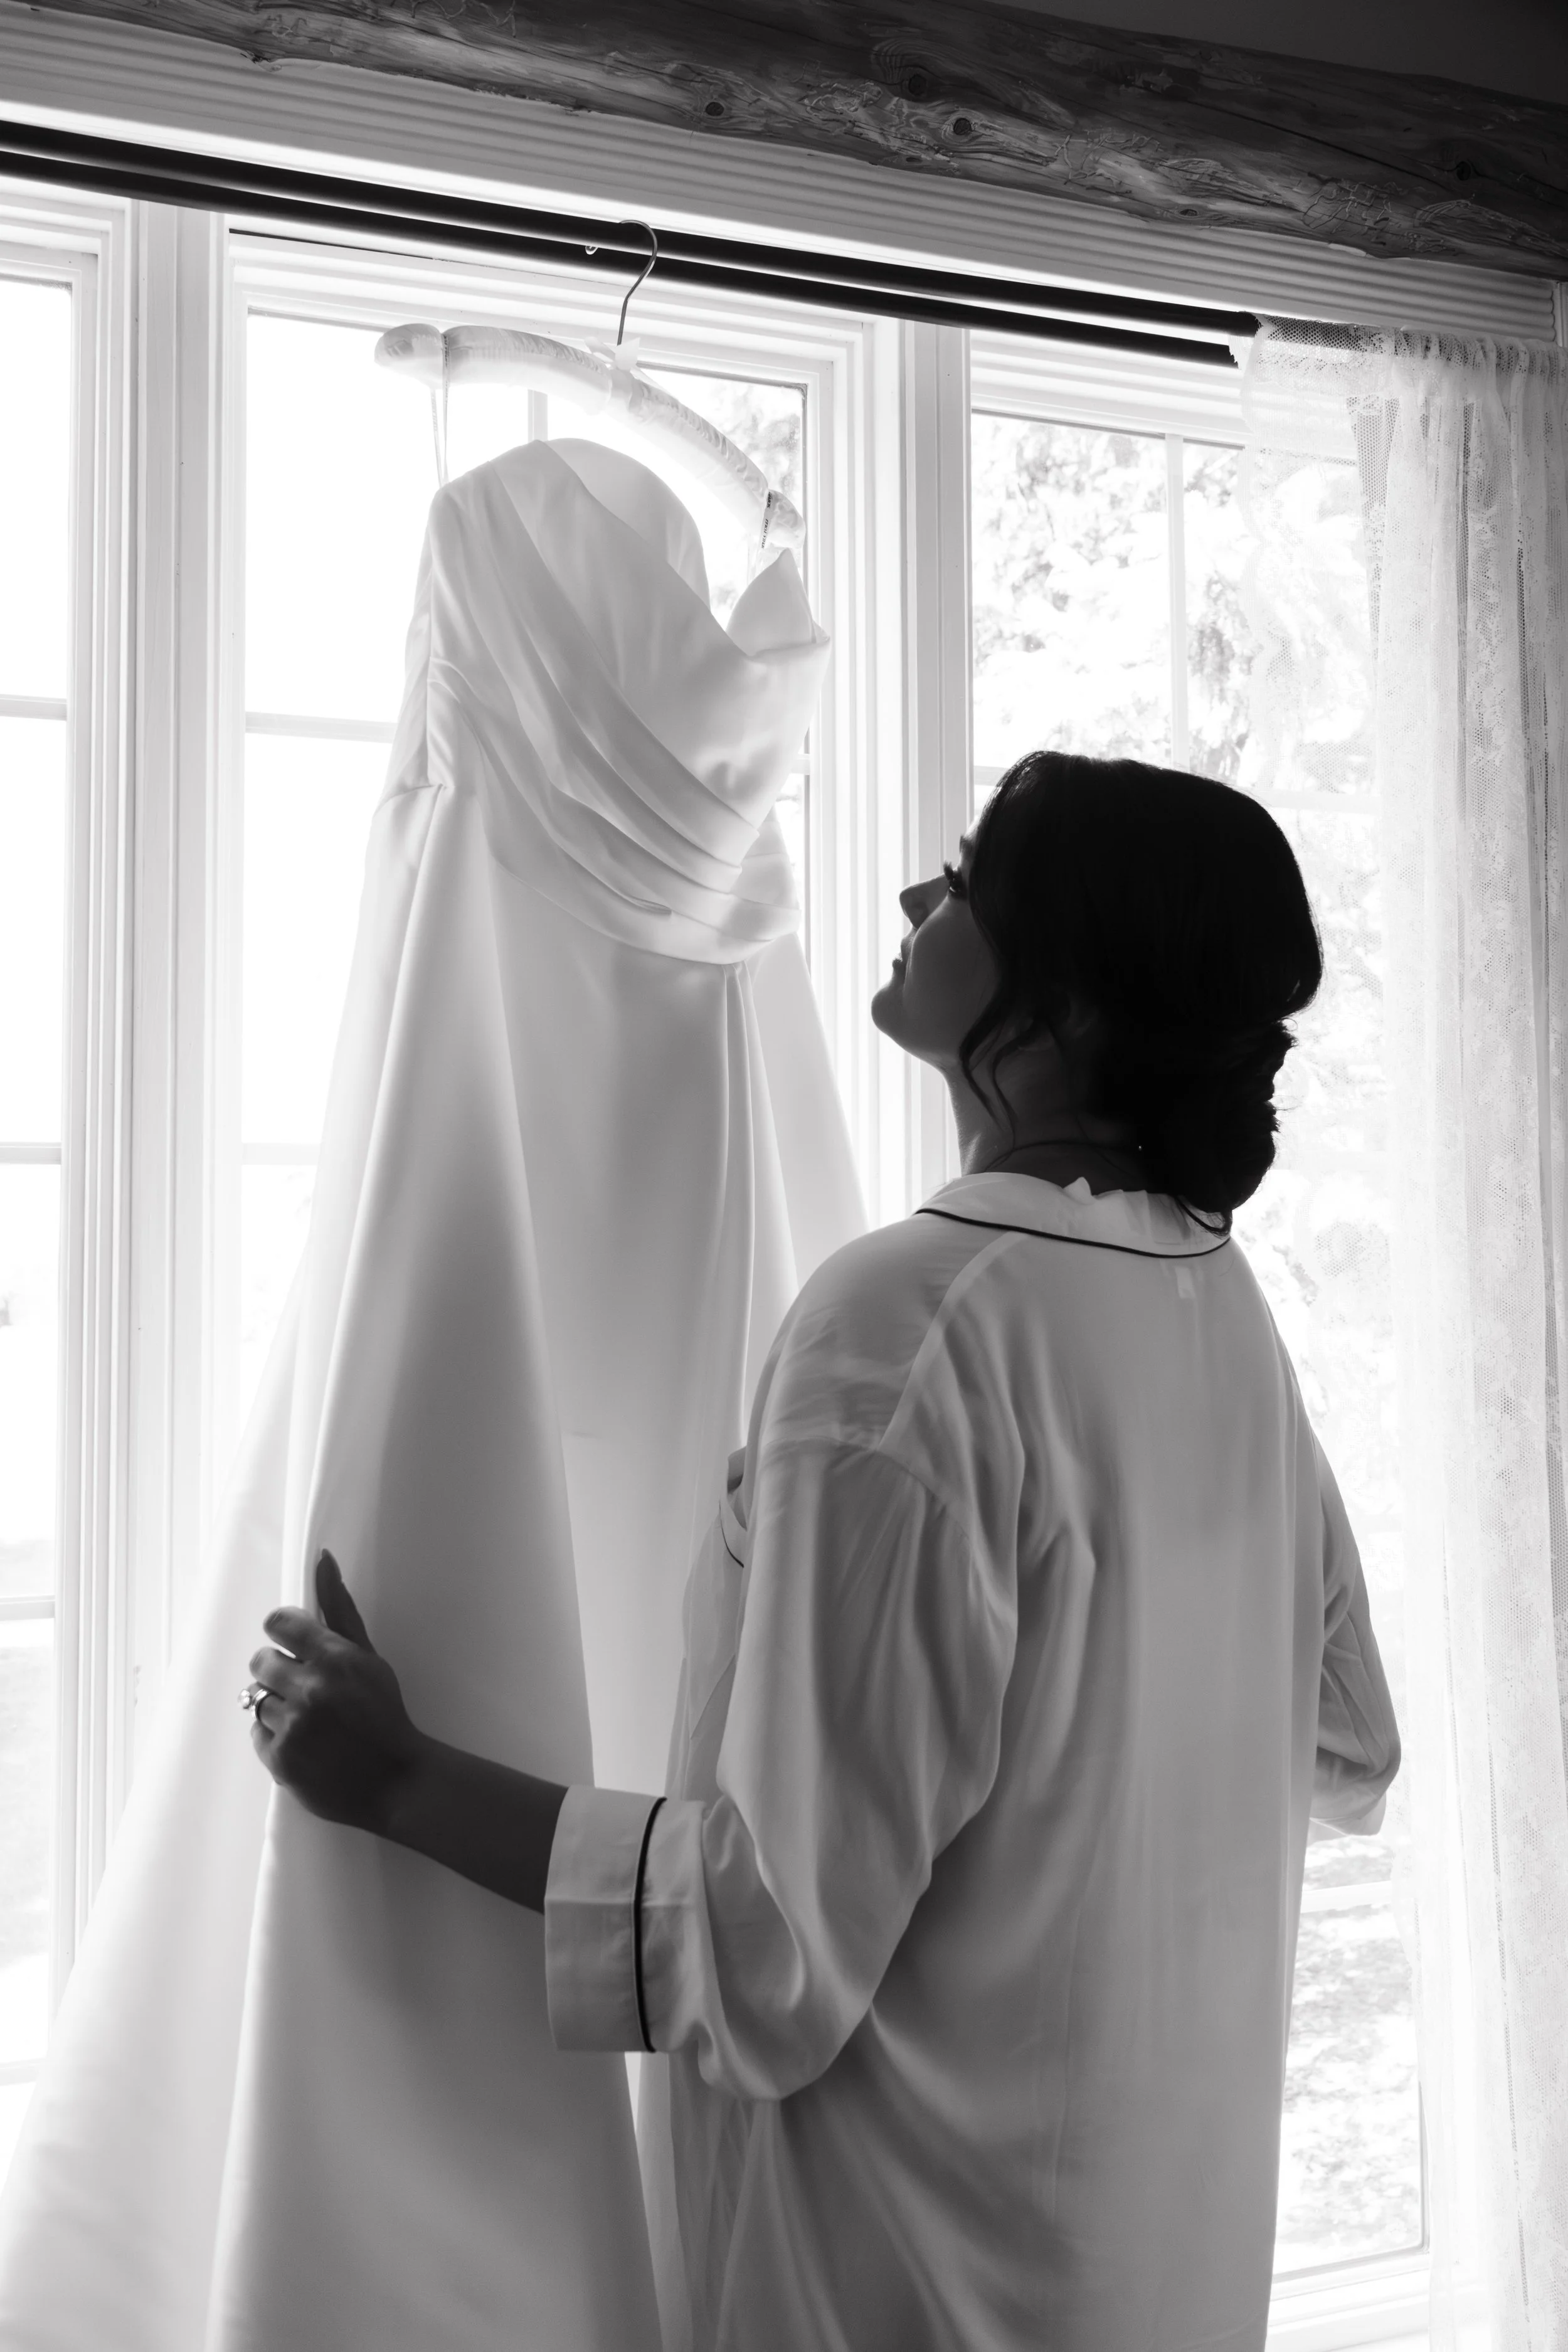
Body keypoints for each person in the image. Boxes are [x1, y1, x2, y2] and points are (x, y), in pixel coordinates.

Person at [246, 750, 1401, 2352]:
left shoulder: (909, 1328)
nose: (921, 896)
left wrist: (395, 1780)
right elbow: (1347, 1741)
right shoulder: (1213, 1307)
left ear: (1064, 1011)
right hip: (1155, 2267)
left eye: (968, 876)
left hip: (911, 2283)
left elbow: (763, 1955)